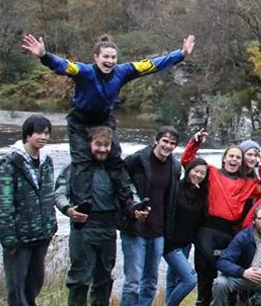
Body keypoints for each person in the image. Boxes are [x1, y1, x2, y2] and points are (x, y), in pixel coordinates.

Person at [21, 33, 193, 211]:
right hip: (80, 120)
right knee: (82, 161)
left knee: (115, 159)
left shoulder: (123, 71)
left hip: (104, 118)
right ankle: (83, 204)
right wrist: (44, 56)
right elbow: (64, 66)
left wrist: (180, 54)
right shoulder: (85, 71)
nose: (109, 61)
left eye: (113, 57)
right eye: (105, 57)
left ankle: (129, 202)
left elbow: (152, 65)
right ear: (96, 57)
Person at [55, 126, 148, 306]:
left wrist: (137, 209)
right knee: (80, 277)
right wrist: (68, 209)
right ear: (89, 144)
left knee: (104, 276)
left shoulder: (116, 170)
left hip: (108, 227)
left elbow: (130, 193)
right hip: (83, 227)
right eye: (98, 144)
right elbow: (59, 193)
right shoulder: (75, 168)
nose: (103, 149)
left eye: (107, 145)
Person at [180, 129, 261, 306]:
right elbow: (188, 162)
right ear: (224, 159)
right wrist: (195, 142)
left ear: (241, 162)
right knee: (205, 268)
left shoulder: (247, 183)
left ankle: (226, 305)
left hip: (229, 231)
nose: (234, 160)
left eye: (238, 157)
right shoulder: (212, 172)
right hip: (207, 227)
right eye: (231, 156)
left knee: (229, 266)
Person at [0, 115, 57, 306]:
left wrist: (51, 224)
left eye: (46, 133)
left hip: (41, 232)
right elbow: (2, 204)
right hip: (19, 235)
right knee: (17, 283)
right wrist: (8, 236)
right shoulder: (10, 164)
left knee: (35, 280)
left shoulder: (47, 162)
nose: (43, 137)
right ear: (27, 135)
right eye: (38, 132)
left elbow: (49, 195)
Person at [120, 126, 182, 306]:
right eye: (165, 141)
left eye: (172, 143)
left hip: (159, 229)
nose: (168, 146)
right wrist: (132, 209)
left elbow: (171, 200)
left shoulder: (175, 166)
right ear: (156, 141)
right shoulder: (136, 160)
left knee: (151, 278)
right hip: (135, 227)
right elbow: (122, 188)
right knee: (133, 278)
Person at [162, 158, 208, 306]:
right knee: (190, 279)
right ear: (188, 170)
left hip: (186, 243)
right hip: (170, 244)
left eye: (202, 173)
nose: (198, 175)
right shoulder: (176, 188)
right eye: (196, 171)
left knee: (173, 279)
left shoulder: (200, 193)